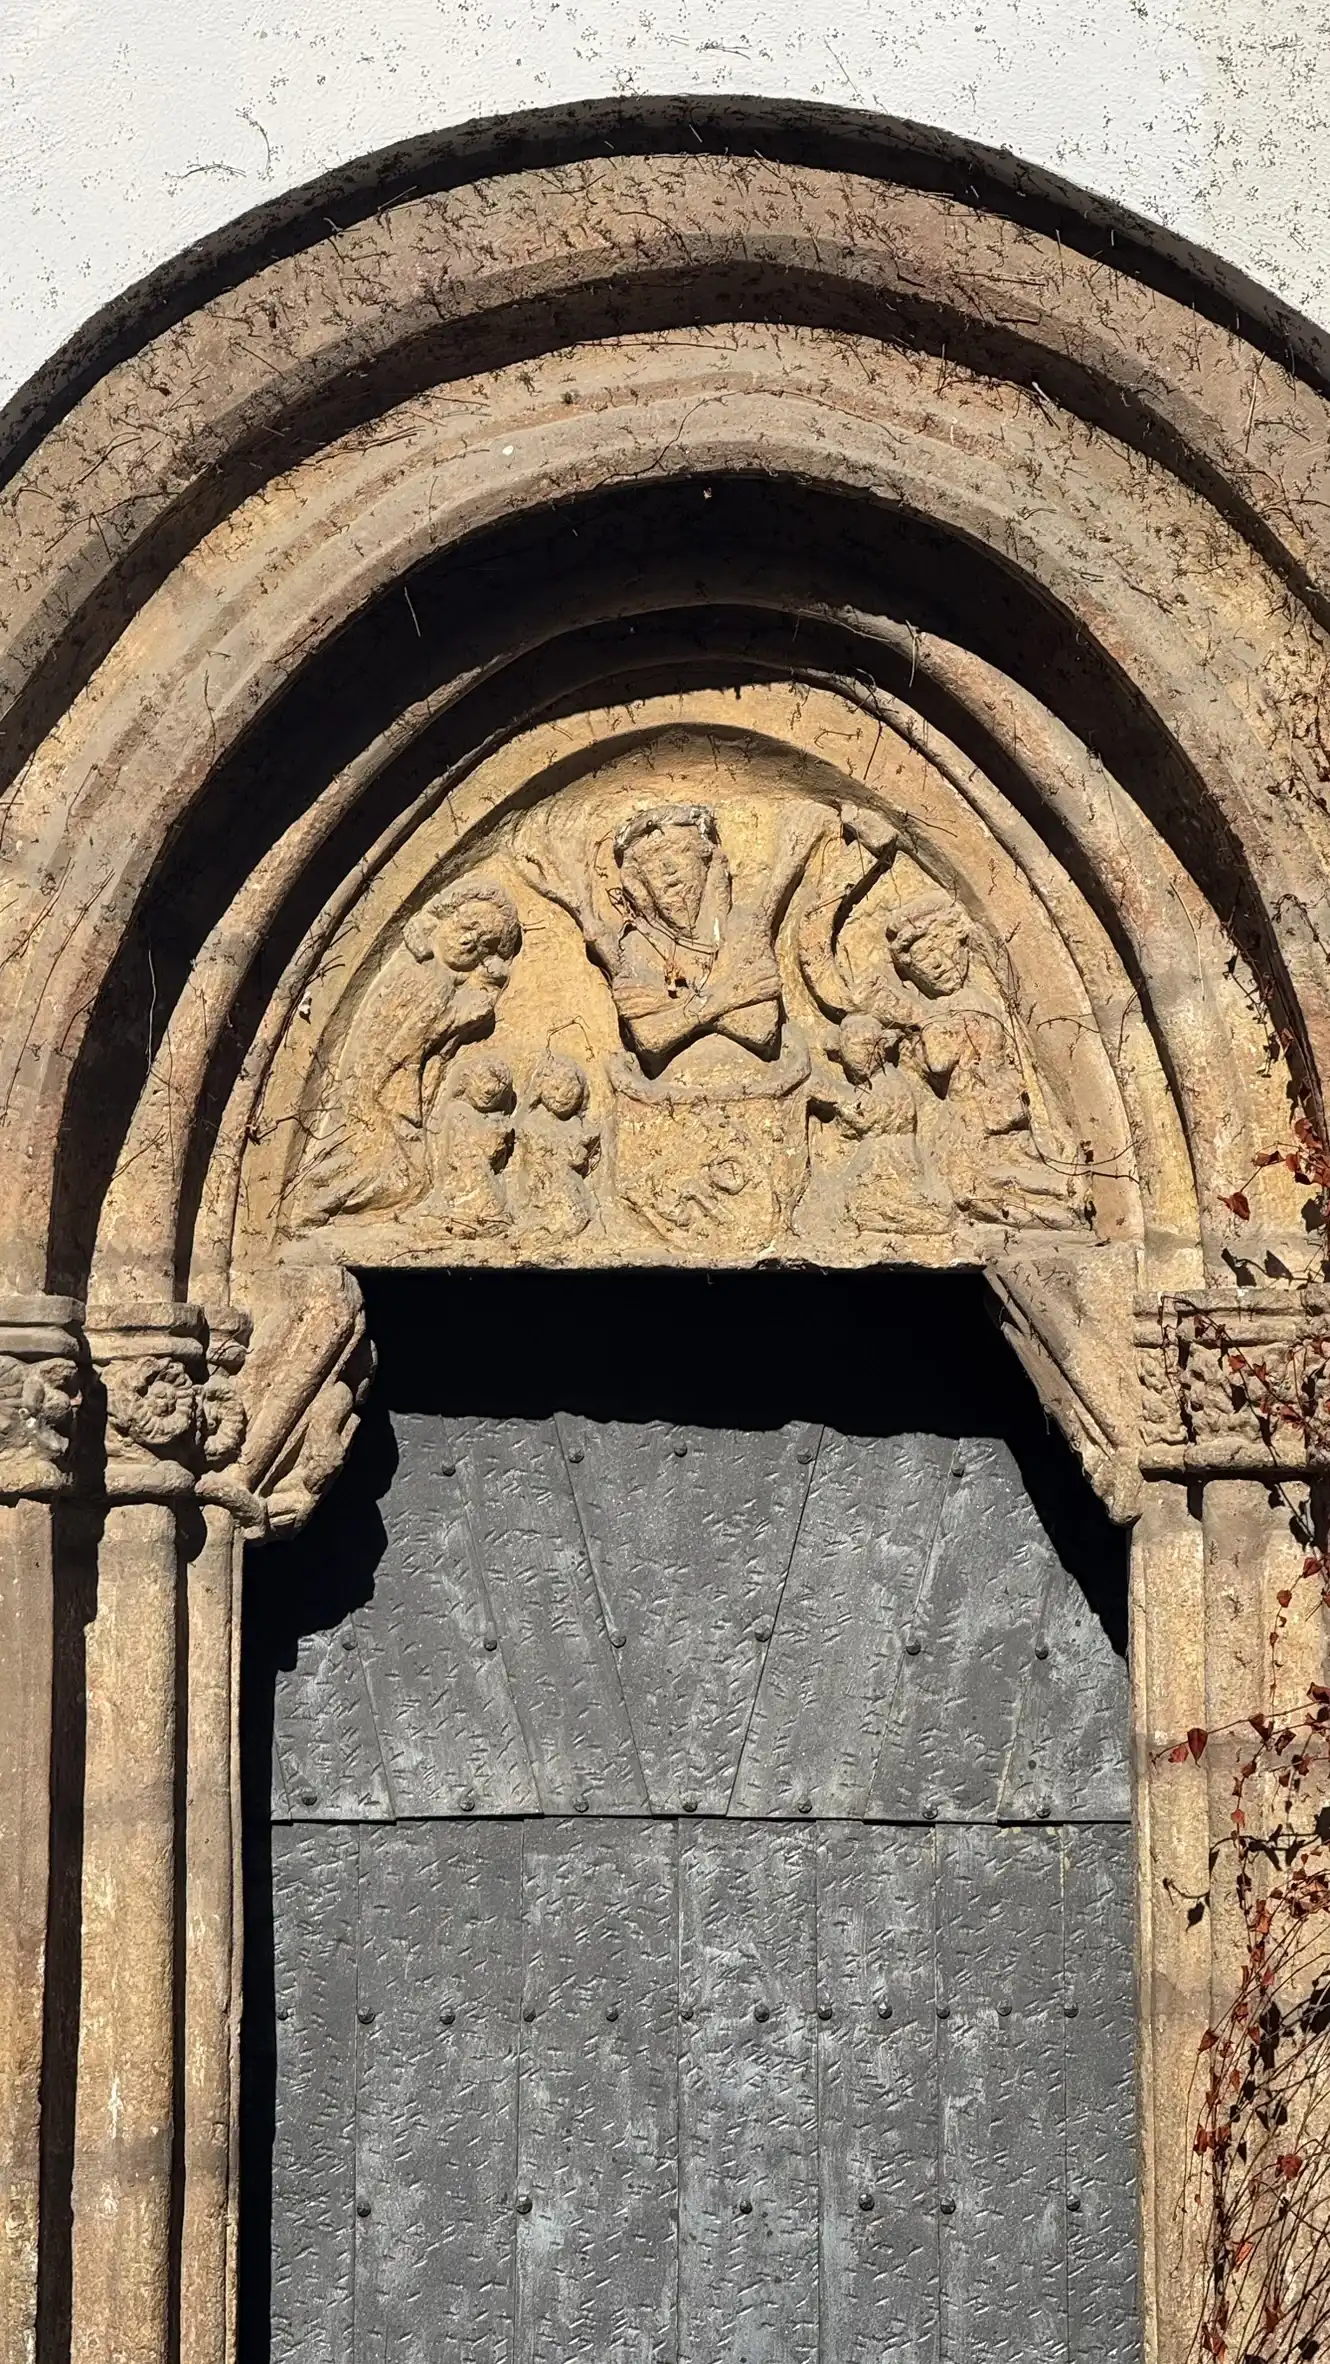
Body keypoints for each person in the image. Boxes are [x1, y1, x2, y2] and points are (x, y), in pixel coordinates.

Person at [292, 877, 521, 1224]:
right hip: (382, 1086)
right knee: (401, 1173)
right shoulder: (428, 976)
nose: (467, 942)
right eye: (466, 927)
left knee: (398, 1170)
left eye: (481, 945)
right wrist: (457, 1017)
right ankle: (317, 1203)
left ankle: (317, 1200)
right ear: (446, 917)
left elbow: (424, 1046)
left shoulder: (439, 979)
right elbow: (407, 1041)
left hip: (393, 1086)